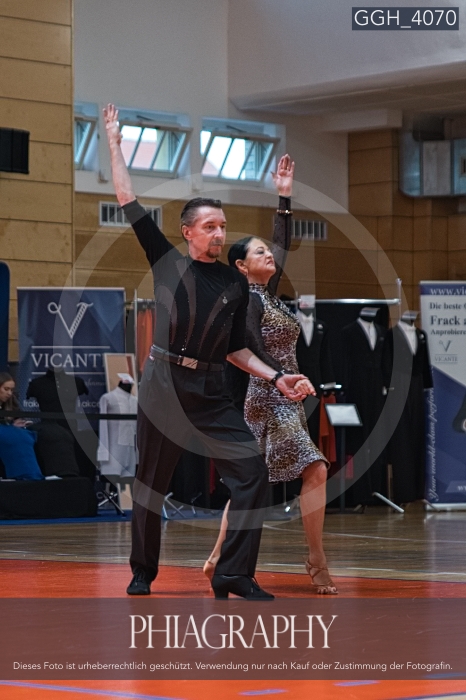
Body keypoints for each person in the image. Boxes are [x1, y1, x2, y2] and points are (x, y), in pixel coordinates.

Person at [103, 104, 313, 599]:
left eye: (223, 226)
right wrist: (113, 141)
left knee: (252, 473)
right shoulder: (167, 262)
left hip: (212, 389)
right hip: (164, 384)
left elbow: (238, 348)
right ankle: (142, 571)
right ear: (189, 232)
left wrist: (276, 376)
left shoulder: (233, 282)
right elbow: (127, 197)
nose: (220, 233)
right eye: (211, 226)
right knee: (151, 483)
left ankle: (233, 573)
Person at [204, 155, 337, 594]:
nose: (268, 255)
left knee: (249, 482)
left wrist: (284, 196)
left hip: (287, 396)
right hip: (267, 396)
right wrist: (280, 376)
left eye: (266, 250)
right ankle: (316, 560)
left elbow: (280, 244)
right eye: (257, 252)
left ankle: (217, 556)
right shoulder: (245, 298)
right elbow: (251, 345)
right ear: (241, 266)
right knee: (314, 468)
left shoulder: (269, 294)